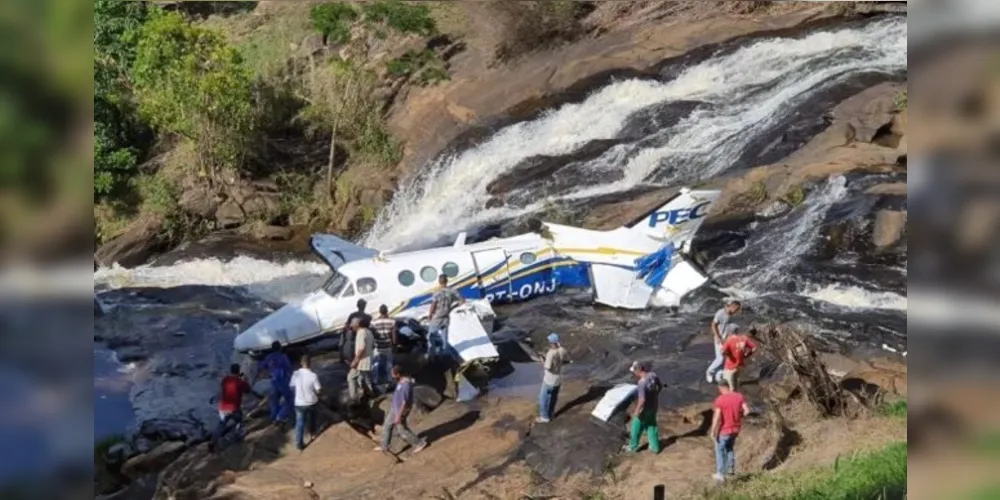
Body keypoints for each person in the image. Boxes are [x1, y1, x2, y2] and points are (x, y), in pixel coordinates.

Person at [209, 364, 261, 452]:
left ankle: (213, 441)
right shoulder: (240, 382)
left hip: (222, 407)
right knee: (239, 422)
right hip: (233, 408)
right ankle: (238, 438)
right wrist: (244, 380)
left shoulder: (225, 380)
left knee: (221, 425)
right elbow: (248, 390)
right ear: (238, 371)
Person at [377, 365, 428, 454]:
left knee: (402, 429)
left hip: (401, 410)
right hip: (395, 408)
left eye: (393, 374)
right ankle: (384, 446)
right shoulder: (401, 381)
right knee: (387, 425)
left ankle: (420, 443)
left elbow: (405, 402)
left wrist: (399, 415)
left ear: (398, 374)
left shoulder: (406, 385)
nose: (392, 376)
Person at [710, 379, 751, 483]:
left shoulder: (720, 400)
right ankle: (731, 468)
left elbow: (717, 416)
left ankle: (720, 474)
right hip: (736, 429)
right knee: (729, 447)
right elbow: (747, 411)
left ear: (721, 388)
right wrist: (739, 415)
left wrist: (713, 430)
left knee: (719, 450)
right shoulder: (739, 396)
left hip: (725, 430)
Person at [624, 361, 663, 454]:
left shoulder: (641, 383)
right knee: (651, 426)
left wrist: (636, 411)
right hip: (654, 406)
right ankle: (655, 447)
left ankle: (632, 447)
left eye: (634, 371)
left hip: (644, 409)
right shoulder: (653, 375)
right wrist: (655, 395)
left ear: (638, 371)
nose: (634, 373)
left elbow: (642, 400)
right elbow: (660, 386)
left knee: (636, 427)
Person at [425, 274, 464, 360]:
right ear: (447, 281)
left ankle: (431, 355)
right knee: (444, 337)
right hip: (446, 317)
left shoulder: (437, 292)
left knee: (430, 336)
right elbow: (462, 301)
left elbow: (433, 305)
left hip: (437, 317)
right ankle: (445, 355)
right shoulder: (452, 291)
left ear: (439, 282)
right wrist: (452, 307)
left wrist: (430, 314)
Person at [290, 353, 322, 451]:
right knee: (313, 418)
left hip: (299, 403)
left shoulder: (295, 374)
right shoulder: (313, 376)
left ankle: (299, 444)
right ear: (310, 363)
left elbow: (291, 386)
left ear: (301, 363)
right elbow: (319, 390)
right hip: (311, 402)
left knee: (300, 423)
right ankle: (313, 433)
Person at [258, 341, 294, 425]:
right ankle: (280, 416)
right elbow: (289, 368)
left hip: (273, 381)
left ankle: (273, 417)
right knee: (290, 399)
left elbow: (261, 366)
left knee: (274, 400)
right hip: (283, 380)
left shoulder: (269, 357)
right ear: (280, 348)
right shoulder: (283, 357)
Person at [537, 333, 569, 423]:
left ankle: (544, 417)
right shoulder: (563, 350)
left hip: (549, 380)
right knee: (553, 397)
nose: (549, 342)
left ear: (552, 342)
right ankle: (551, 414)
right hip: (558, 379)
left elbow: (547, 367)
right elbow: (564, 361)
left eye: (549, 341)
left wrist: (542, 361)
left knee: (543, 399)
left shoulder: (551, 353)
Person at [707, 300, 742, 383]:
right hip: (719, 339)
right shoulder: (720, 313)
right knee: (720, 359)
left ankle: (718, 376)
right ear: (732, 306)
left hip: (726, 340)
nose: (736, 311)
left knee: (726, 360)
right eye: (736, 309)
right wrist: (718, 337)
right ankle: (709, 372)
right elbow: (713, 325)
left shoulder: (730, 315)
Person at [369, 305, 398, 392]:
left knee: (376, 364)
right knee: (389, 364)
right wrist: (395, 345)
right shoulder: (392, 321)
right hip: (388, 345)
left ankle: (375, 381)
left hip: (378, 346)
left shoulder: (374, 322)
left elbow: (372, 333)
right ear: (387, 311)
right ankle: (389, 380)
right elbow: (394, 334)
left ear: (380, 311)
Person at [720, 326, 758, 391]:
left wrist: (729, 355)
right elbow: (754, 348)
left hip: (730, 366)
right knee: (736, 384)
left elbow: (722, 352)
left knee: (728, 386)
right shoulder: (744, 338)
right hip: (739, 365)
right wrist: (746, 355)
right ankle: (736, 396)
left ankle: (732, 399)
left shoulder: (729, 340)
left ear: (729, 332)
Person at [347, 318, 375, 402]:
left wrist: (355, 361)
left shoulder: (360, 333)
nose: (352, 329)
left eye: (352, 327)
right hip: (368, 359)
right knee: (366, 379)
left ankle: (354, 398)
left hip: (361, 361)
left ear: (357, 325)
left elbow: (361, 349)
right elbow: (373, 345)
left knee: (351, 377)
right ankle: (369, 395)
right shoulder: (368, 331)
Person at [340, 299, 371, 364]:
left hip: (353, 338)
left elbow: (347, 326)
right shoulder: (368, 317)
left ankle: (342, 357)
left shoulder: (352, 315)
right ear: (365, 306)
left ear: (357, 306)